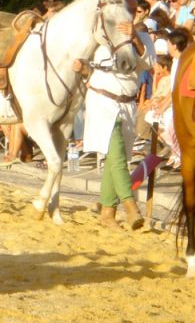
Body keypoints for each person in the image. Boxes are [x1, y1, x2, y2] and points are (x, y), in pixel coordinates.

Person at [81, 16, 147, 231]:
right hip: (102, 101)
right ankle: (130, 205)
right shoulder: (98, 41)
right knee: (117, 155)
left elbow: (149, 64)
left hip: (127, 103)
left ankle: (108, 212)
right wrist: (82, 69)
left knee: (114, 159)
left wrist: (135, 37)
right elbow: (88, 69)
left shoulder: (143, 38)